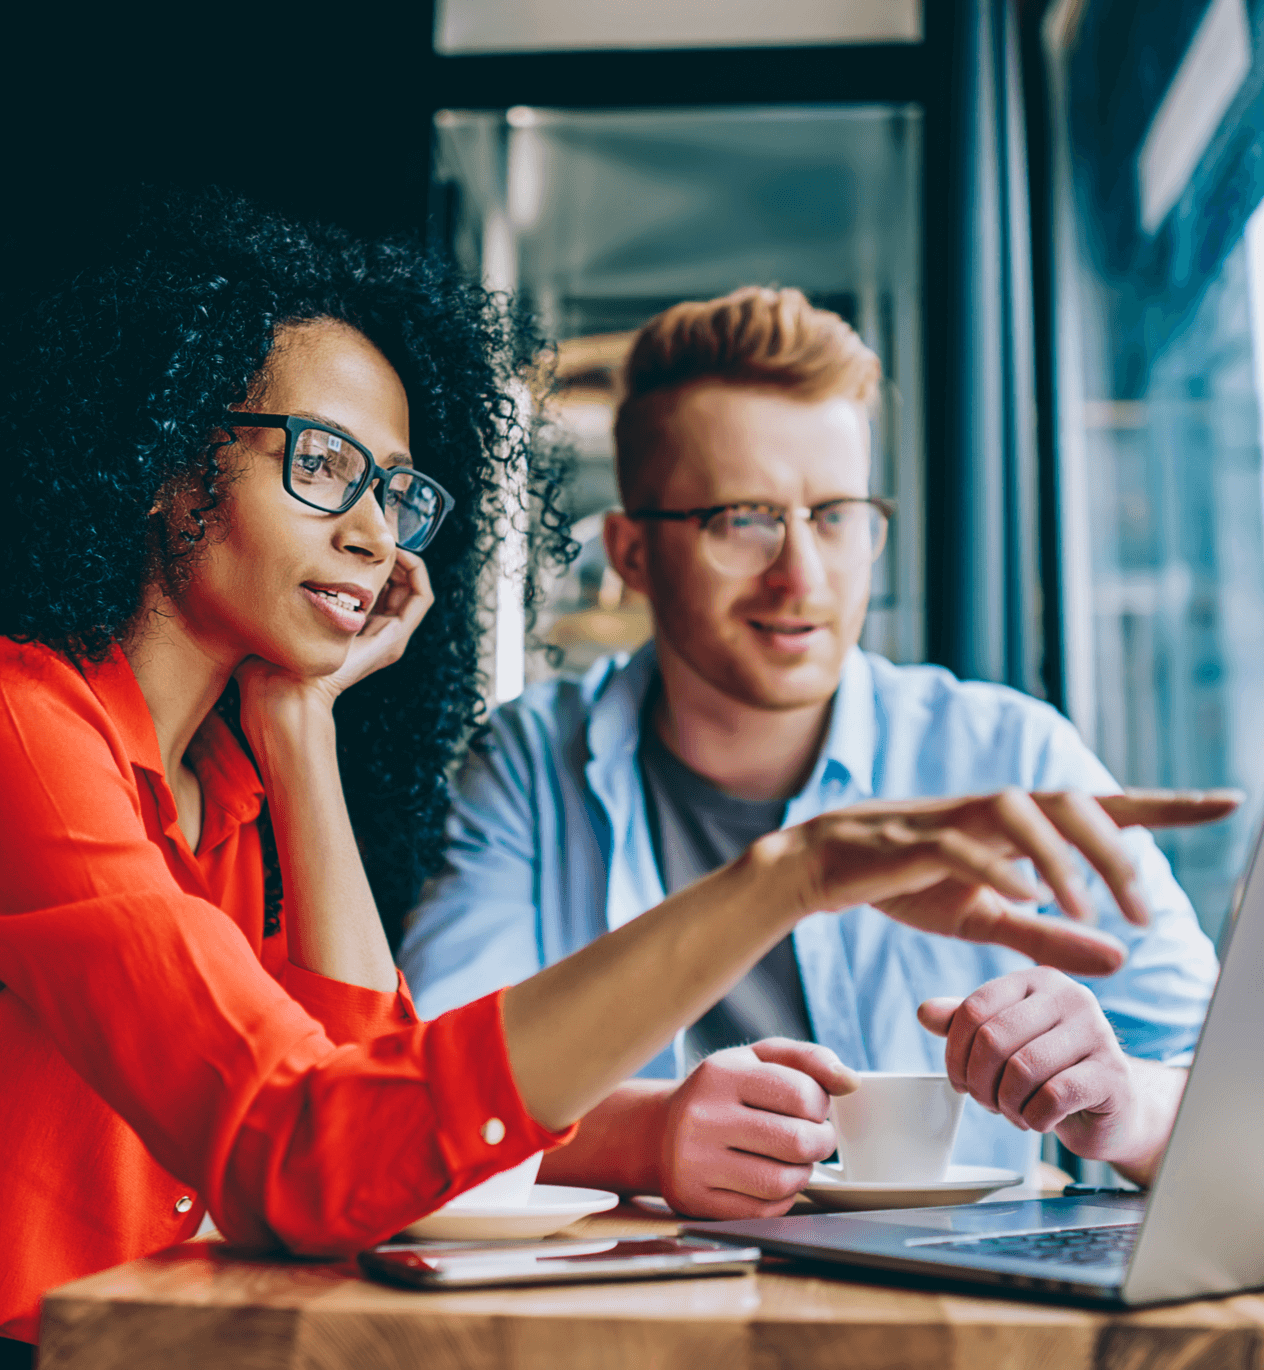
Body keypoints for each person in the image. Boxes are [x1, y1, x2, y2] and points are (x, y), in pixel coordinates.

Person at [0, 202, 1229, 1361]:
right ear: (162, 451)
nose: (377, 534)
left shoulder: (231, 779)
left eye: (396, 492)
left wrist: (304, 726)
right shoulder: (34, 737)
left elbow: (372, 1105)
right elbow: (350, 1142)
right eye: (324, 464)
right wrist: (784, 883)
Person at [400, 286, 1227, 1218]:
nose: (803, 574)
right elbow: (421, 1096)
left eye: (835, 515)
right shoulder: (530, 763)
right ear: (632, 553)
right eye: (743, 519)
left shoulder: (1008, 753)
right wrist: (648, 1134)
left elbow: (1239, 1109)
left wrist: (1124, 1106)